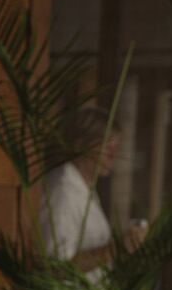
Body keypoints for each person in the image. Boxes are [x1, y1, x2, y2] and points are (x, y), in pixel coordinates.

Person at [39, 109, 117, 264]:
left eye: (116, 149)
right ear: (80, 145)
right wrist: (115, 250)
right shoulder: (62, 192)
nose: (113, 156)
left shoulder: (86, 188)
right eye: (107, 148)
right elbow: (57, 268)